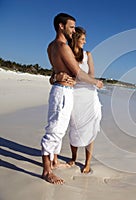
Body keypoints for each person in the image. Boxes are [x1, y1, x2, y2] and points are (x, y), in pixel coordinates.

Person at [41, 13, 103, 184]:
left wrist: (55, 77)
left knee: (59, 129)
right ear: (61, 26)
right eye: (71, 27)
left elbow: (55, 71)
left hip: (62, 90)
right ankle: (46, 171)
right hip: (63, 93)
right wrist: (95, 82)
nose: (73, 30)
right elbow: (77, 72)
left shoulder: (50, 46)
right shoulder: (63, 46)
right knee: (55, 130)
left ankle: (53, 161)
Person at [52, 27, 102, 173]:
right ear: (76, 38)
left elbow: (91, 74)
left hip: (89, 96)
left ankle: (87, 162)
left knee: (90, 129)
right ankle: (74, 158)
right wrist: (61, 78)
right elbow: (54, 75)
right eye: (82, 39)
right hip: (73, 95)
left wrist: (82, 79)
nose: (85, 42)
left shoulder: (88, 55)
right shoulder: (66, 53)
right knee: (74, 128)